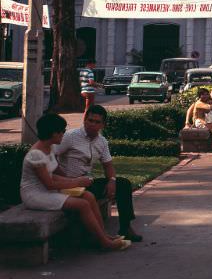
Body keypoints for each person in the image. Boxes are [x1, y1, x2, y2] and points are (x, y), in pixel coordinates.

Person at [21, 114, 130, 251]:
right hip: (35, 195)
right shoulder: (36, 154)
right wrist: (76, 181)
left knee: (88, 196)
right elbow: (49, 183)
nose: (63, 134)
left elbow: (54, 176)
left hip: (47, 190)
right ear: (54, 133)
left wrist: (75, 182)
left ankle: (104, 235)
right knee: (82, 204)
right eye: (62, 131)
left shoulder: (48, 148)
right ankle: (104, 242)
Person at [54, 106, 141, 243]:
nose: (92, 124)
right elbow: (51, 156)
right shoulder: (70, 137)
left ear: (103, 124)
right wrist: (64, 178)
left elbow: (108, 165)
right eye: (90, 120)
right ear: (84, 119)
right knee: (90, 195)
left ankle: (126, 228)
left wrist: (111, 181)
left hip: (87, 182)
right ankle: (96, 235)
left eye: (97, 122)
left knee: (123, 184)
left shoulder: (102, 142)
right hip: (69, 184)